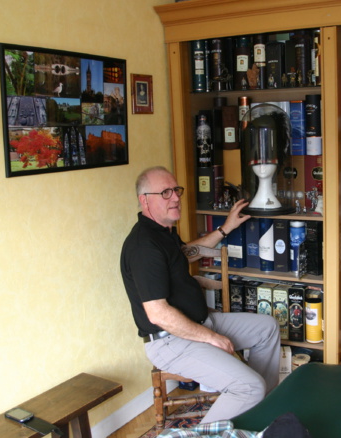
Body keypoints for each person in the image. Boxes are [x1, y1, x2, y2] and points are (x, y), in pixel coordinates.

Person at [120, 166, 281, 424]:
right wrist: (212, 338)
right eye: (165, 192)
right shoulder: (144, 246)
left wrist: (226, 228)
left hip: (200, 323)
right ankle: (208, 428)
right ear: (144, 200)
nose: (175, 197)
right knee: (249, 387)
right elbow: (158, 314)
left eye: (176, 190)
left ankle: (258, 411)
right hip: (170, 342)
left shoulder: (164, 232)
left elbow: (185, 253)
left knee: (267, 328)